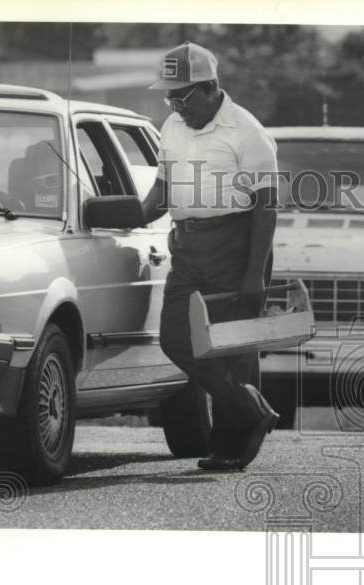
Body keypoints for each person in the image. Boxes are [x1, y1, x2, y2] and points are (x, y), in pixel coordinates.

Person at [141, 41, 279, 471]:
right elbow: (161, 192)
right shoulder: (172, 126)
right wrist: (122, 212)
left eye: (182, 97)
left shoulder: (246, 130)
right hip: (187, 246)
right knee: (176, 340)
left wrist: (254, 272)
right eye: (170, 97)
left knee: (233, 349)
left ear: (210, 88)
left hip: (235, 245)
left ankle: (231, 446)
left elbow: (266, 205)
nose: (176, 106)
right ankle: (252, 410)